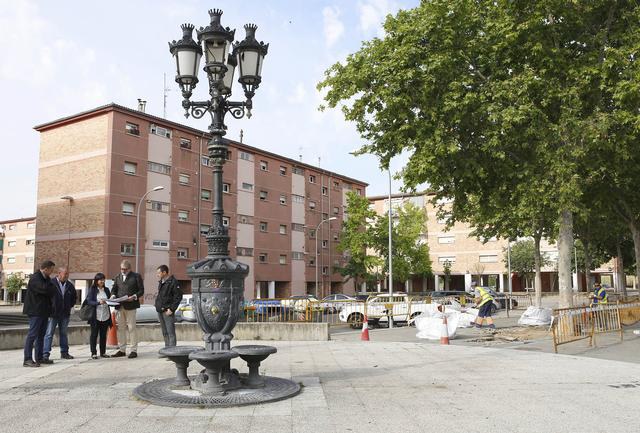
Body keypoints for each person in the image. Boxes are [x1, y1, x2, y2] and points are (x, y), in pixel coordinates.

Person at [22, 260, 56, 367]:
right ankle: (27, 359)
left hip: (44, 311)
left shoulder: (46, 279)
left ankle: (39, 357)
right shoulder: (35, 278)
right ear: (46, 269)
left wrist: (50, 288)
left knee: (41, 335)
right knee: (32, 335)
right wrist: (50, 287)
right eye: (51, 270)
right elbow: (45, 290)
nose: (52, 272)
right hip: (35, 311)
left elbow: (52, 290)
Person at [110, 260, 144, 358]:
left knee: (132, 328)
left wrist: (134, 296)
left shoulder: (136, 276)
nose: (123, 271)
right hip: (119, 306)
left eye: (125, 269)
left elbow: (141, 290)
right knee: (121, 328)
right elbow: (114, 289)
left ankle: (133, 350)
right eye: (121, 269)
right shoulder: (117, 277)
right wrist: (113, 295)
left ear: (129, 269)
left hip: (131, 306)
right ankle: (122, 349)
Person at [42, 266, 77, 361]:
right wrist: (50, 308)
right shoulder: (51, 283)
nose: (66, 276)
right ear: (59, 273)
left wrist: (68, 306)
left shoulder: (69, 285)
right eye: (65, 274)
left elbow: (74, 298)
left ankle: (64, 353)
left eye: (67, 274)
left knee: (63, 333)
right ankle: (45, 354)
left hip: (65, 314)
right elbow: (46, 297)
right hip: (53, 314)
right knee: (49, 333)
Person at [85, 273, 113, 359]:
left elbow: (109, 300)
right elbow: (89, 301)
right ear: (96, 281)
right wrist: (98, 302)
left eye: (103, 280)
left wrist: (111, 300)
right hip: (96, 316)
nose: (102, 281)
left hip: (105, 315)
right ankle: (93, 353)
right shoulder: (92, 289)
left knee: (103, 335)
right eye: (100, 280)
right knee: (94, 335)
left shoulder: (106, 290)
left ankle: (103, 352)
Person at [154, 265, 183, 347]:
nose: (157, 275)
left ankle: (172, 351)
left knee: (170, 333)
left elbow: (178, 297)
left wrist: (172, 309)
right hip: (160, 310)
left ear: (164, 272)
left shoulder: (173, 282)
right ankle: (167, 349)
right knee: (165, 332)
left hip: (168, 311)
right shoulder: (161, 282)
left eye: (159, 273)